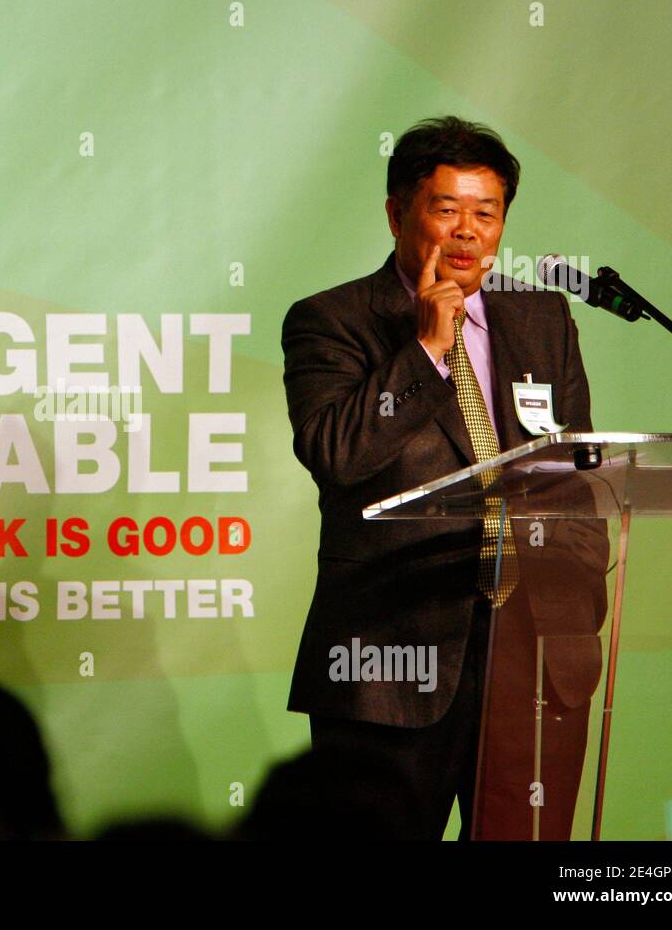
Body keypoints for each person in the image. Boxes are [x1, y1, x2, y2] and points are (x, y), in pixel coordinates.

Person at [280, 116, 610, 839]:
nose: (468, 231)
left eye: (485, 213)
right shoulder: (332, 322)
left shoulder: (543, 318)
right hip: (389, 665)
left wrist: (579, 599)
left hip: (535, 659)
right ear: (399, 213)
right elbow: (338, 455)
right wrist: (428, 348)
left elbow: (572, 475)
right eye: (447, 209)